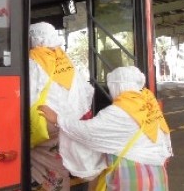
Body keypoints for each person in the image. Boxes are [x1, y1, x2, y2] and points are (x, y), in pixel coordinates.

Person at [39, 66, 173, 190]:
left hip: (133, 175)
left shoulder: (121, 111)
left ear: (118, 86)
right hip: (156, 174)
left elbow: (88, 132)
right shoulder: (148, 104)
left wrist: (58, 119)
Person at [29, 22, 94, 191]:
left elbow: (25, 95)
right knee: (60, 161)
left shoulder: (33, 59)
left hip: (46, 123)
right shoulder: (65, 60)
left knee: (45, 163)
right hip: (68, 122)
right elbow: (85, 92)